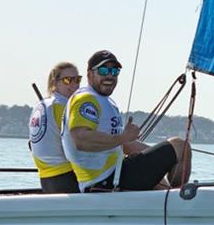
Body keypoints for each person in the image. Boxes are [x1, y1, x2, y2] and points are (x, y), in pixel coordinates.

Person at [61, 50, 192, 192]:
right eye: (103, 70)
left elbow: (122, 144)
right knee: (181, 147)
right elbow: (81, 140)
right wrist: (123, 137)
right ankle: (178, 200)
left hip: (114, 174)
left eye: (114, 71)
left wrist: (156, 153)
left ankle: (170, 196)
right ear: (89, 74)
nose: (110, 75)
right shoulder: (86, 99)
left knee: (163, 182)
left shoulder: (105, 101)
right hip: (106, 180)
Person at [28, 62, 81, 193]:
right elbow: (79, 145)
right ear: (55, 83)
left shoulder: (39, 106)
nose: (74, 84)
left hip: (46, 180)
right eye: (68, 80)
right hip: (67, 178)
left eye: (77, 79)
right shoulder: (64, 108)